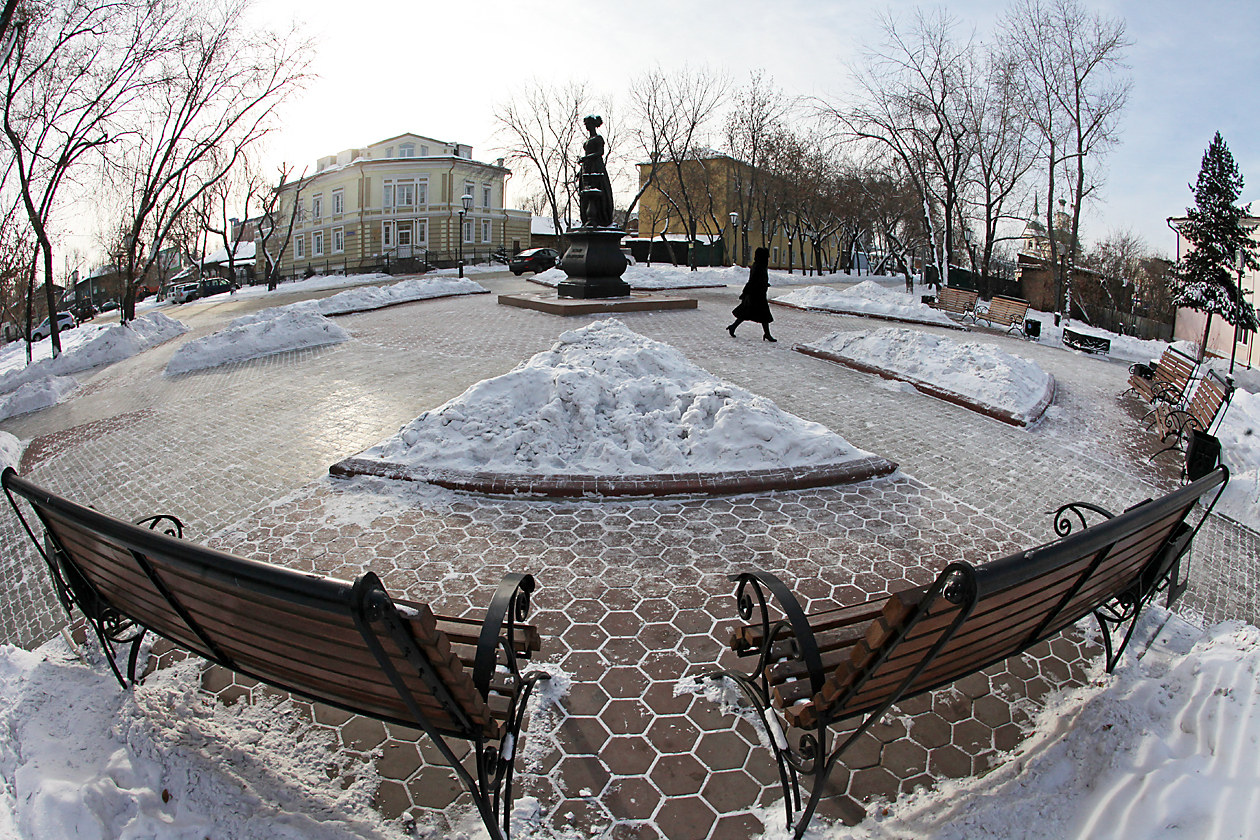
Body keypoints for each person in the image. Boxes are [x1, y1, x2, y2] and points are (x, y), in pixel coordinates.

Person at [727, 247, 776, 341]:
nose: (768, 258)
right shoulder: (758, 266)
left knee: (752, 313)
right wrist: (748, 292)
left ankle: (733, 327)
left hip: (757, 293)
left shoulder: (759, 265)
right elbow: (753, 281)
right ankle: (767, 334)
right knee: (761, 314)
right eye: (767, 256)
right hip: (756, 294)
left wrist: (764, 284)